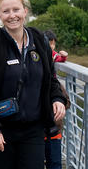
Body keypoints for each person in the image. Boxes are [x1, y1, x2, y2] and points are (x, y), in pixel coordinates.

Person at [0, 0, 67, 169]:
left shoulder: (39, 41)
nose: (12, 16)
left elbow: (50, 79)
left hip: (33, 129)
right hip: (0, 130)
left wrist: (57, 99)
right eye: (6, 11)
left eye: (16, 9)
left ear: (25, 11)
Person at [44, 30, 69, 169]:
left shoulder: (52, 55)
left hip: (52, 127)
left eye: (53, 44)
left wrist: (63, 56)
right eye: (50, 43)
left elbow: (59, 58)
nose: (52, 47)